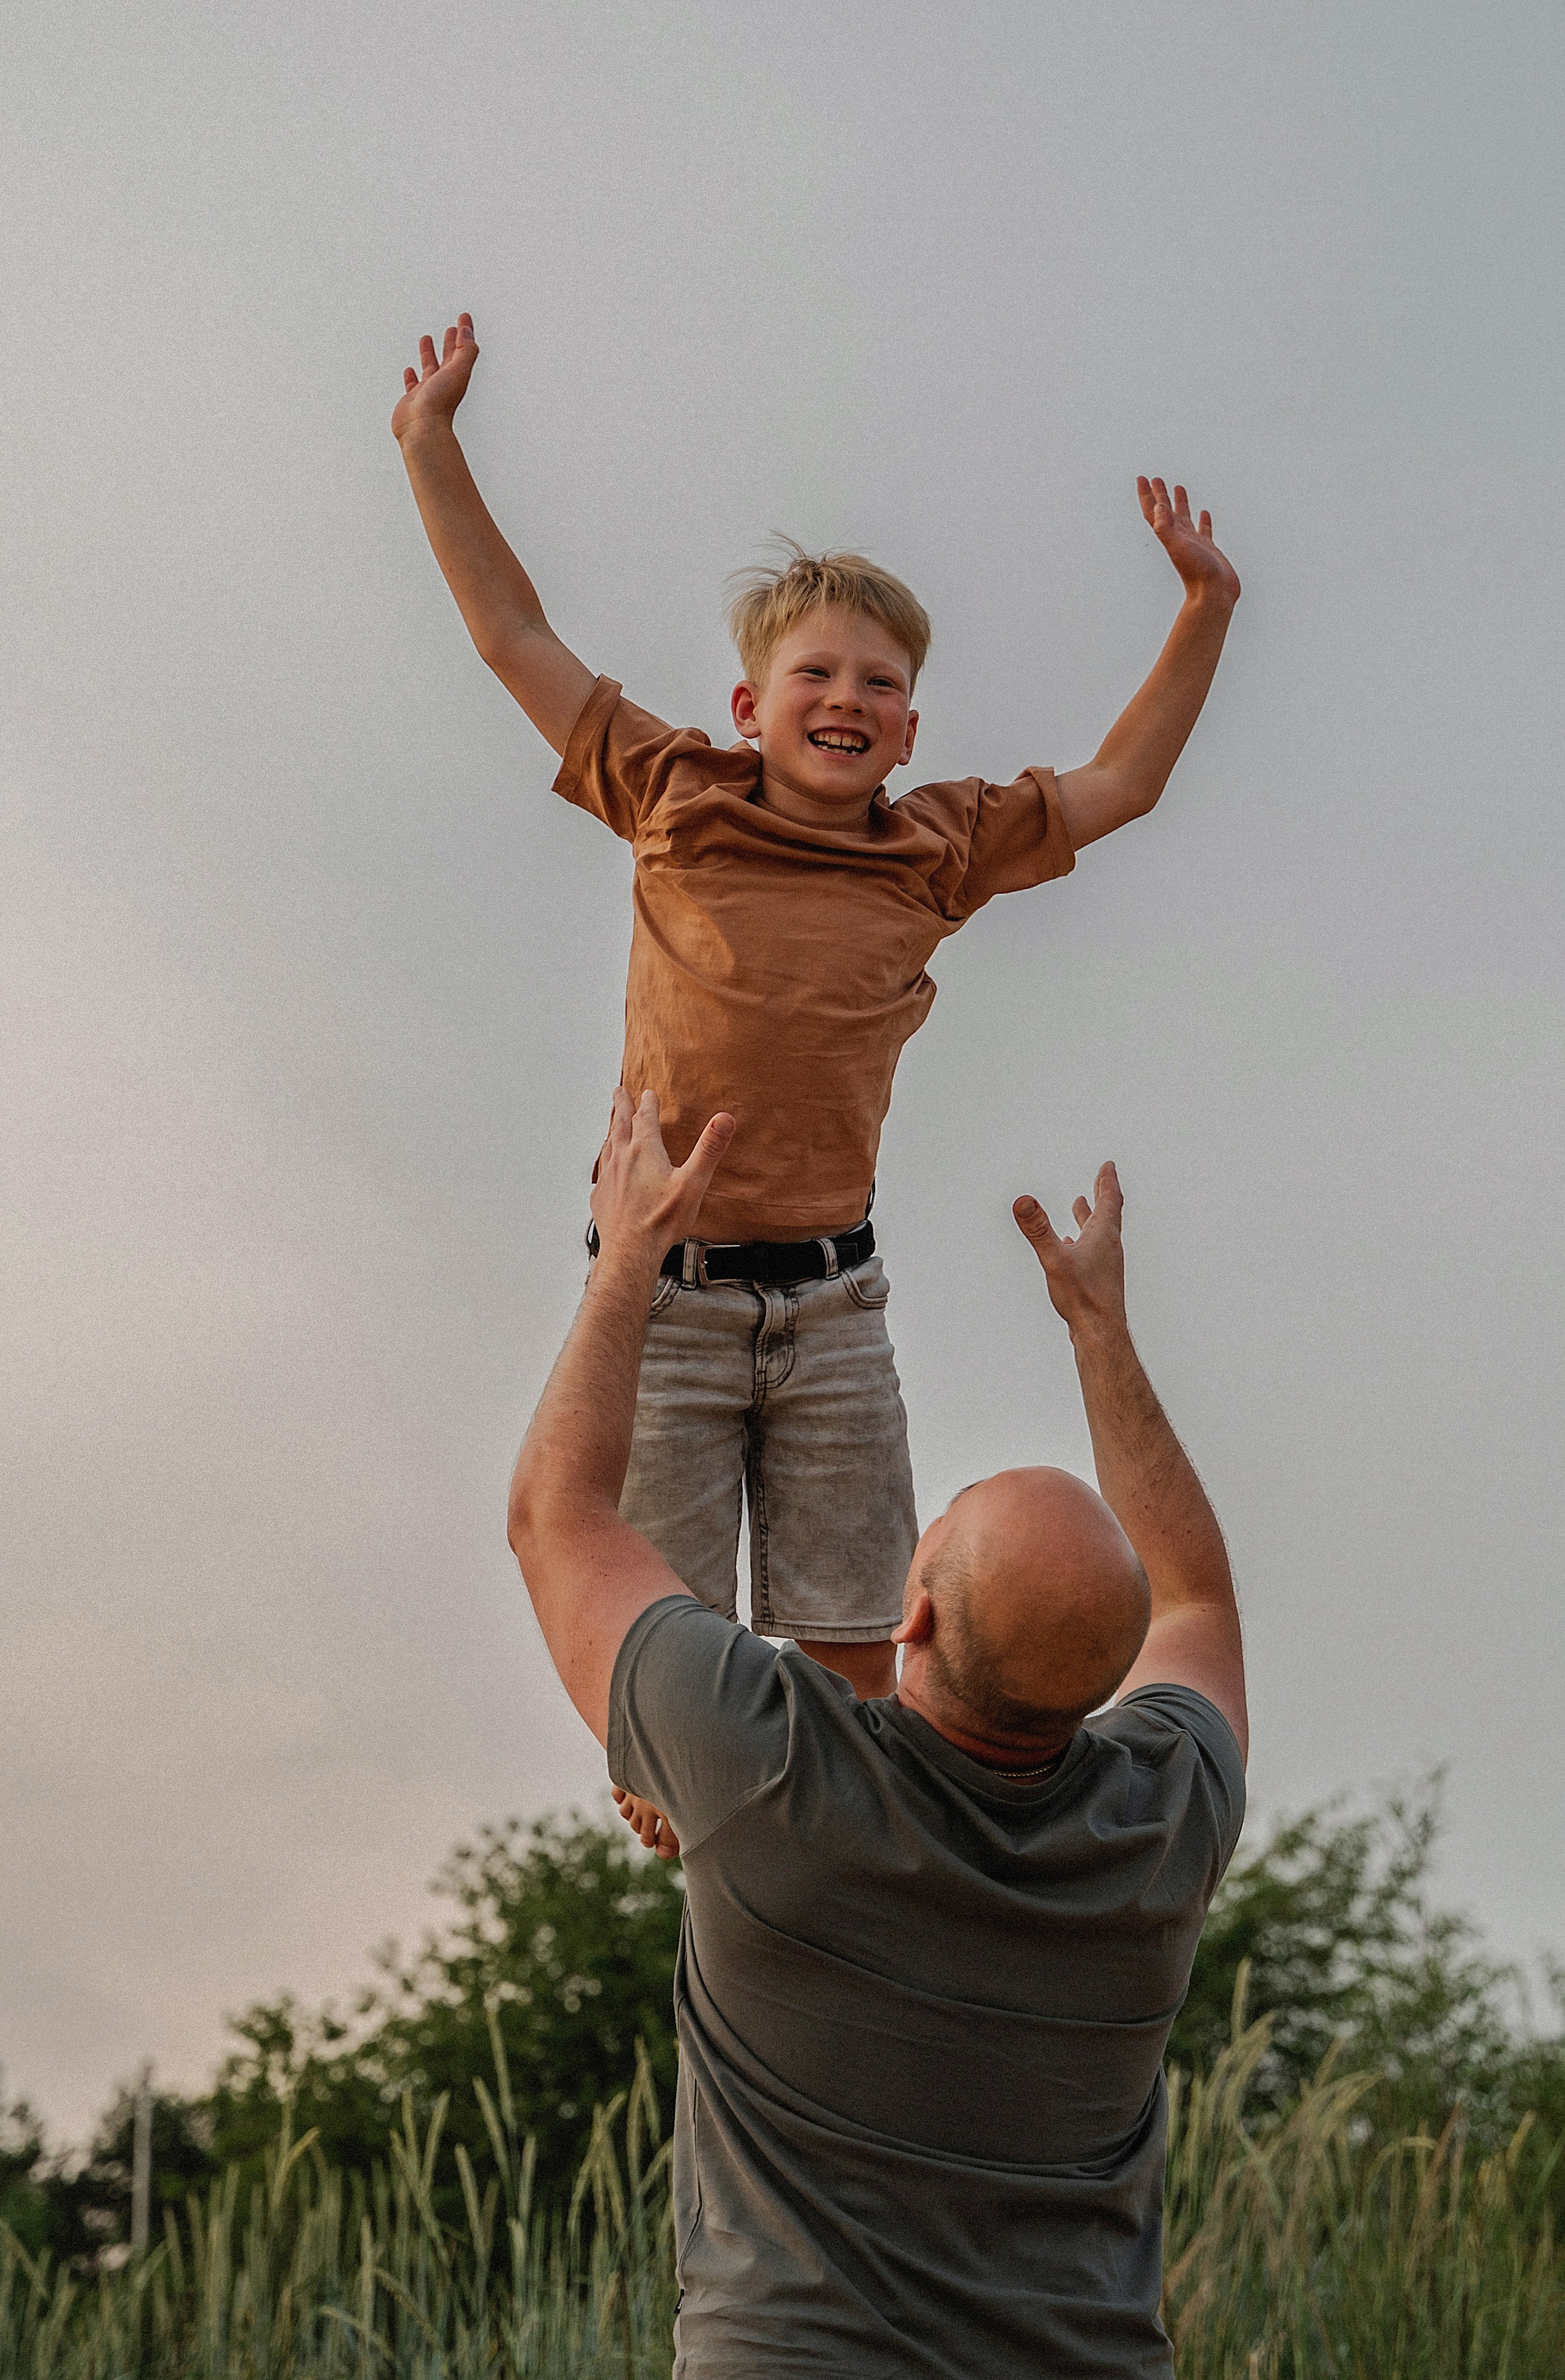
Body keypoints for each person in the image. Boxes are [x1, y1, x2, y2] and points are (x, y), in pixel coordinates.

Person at [395, 310, 1240, 1802]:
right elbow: (512, 637)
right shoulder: (671, 791)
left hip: (832, 1303)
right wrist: (432, 447)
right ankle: (678, 1821)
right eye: (815, 675)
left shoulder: (937, 848)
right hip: (665, 1295)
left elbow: (1123, 782)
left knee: (863, 1667)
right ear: (749, 707)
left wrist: (1203, 611)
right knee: (658, 1672)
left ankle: (852, 1859)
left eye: (877, 684)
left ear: (908, 728)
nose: (845, 699)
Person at [507, 1090, 1247, 2379]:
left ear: (907, 1614)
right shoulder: (1159, 1818)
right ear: (1107, 1679)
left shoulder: (773, 1769)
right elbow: (1197, 1595)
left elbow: (557, 1519)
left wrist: (627, 1250)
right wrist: (1100, 1337)